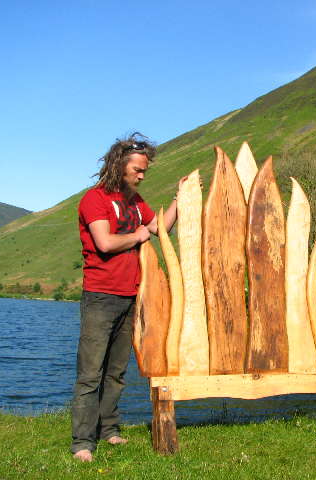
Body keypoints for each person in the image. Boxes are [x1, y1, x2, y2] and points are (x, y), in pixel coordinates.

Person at [71, 132, 184, 462]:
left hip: (131, 296)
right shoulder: (95, 199)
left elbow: (160, 226)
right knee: (91, 374)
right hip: (100, 296)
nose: (142, 175)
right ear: (119, 165)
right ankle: (82, 442)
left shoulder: (135, 200)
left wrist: (179, 199)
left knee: (117, 372)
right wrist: (137, 235)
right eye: (138, 169)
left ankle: (109, 431)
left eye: (145, 170)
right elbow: (104, 243)